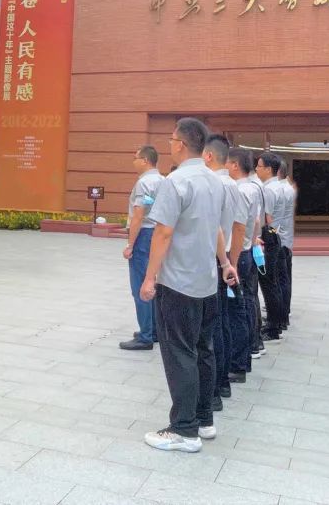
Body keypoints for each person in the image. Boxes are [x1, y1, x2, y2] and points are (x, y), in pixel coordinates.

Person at [141, 118, 237, 452]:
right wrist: (224, 263)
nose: (170, 144)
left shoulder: (176, 182)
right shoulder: (215, 181)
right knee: (203, 350)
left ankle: (184, 429)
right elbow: (217, 229)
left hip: (178, 282)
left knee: (179, 352)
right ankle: (204, 419)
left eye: (171, 140)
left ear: (180, 144)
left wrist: (150, 277)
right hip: (206, 282)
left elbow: (163, 232)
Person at [202, 134, 246, 410]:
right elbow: (240, 226)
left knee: (212, 325)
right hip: (226, 256)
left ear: (208, 156)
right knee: (223, 321)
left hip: (213, 258)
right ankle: (223, 381)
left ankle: (215, 387)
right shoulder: (232, 185)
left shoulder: (211, 184)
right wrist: (233, 261)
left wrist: (224, 263)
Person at [120, 145, 165, 350]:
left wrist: (130, 244)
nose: (133, 161)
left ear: (145, 160)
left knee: (140, 285)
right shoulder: (163, 180)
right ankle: (153, 330)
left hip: (144, 234)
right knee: (152, 282)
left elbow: (139, 215)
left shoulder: (144, 183)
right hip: (157, 233)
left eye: (135, 157)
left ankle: (145, 335)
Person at [227, 146, 263, 387]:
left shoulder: (240, 190)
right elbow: (256, 220)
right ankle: (249, 348)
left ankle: (239, 362)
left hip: (239, 254)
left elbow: (238, 227)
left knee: (237, 309)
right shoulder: (253, 188)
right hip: (248, 250)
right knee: (247, 302)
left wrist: (231, 261)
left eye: (227, 164)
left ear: (235, 165)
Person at [255, 152, 288, 343]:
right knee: (273, 282)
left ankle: (273, 327)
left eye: (259, 166)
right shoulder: (279, 186)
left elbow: (267, 217)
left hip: (268, 235)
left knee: (268, 283)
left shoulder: (267, 190)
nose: (256, 169)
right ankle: (277, 321)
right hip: (275, 234)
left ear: (268, 169)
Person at [276, 158, 297, 329]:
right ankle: (284, 311)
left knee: (279, 280)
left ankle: (280, 315)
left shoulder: (278, 189)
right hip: (286, 238)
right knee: (285, 278)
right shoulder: (288, 188)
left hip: (279, 239)